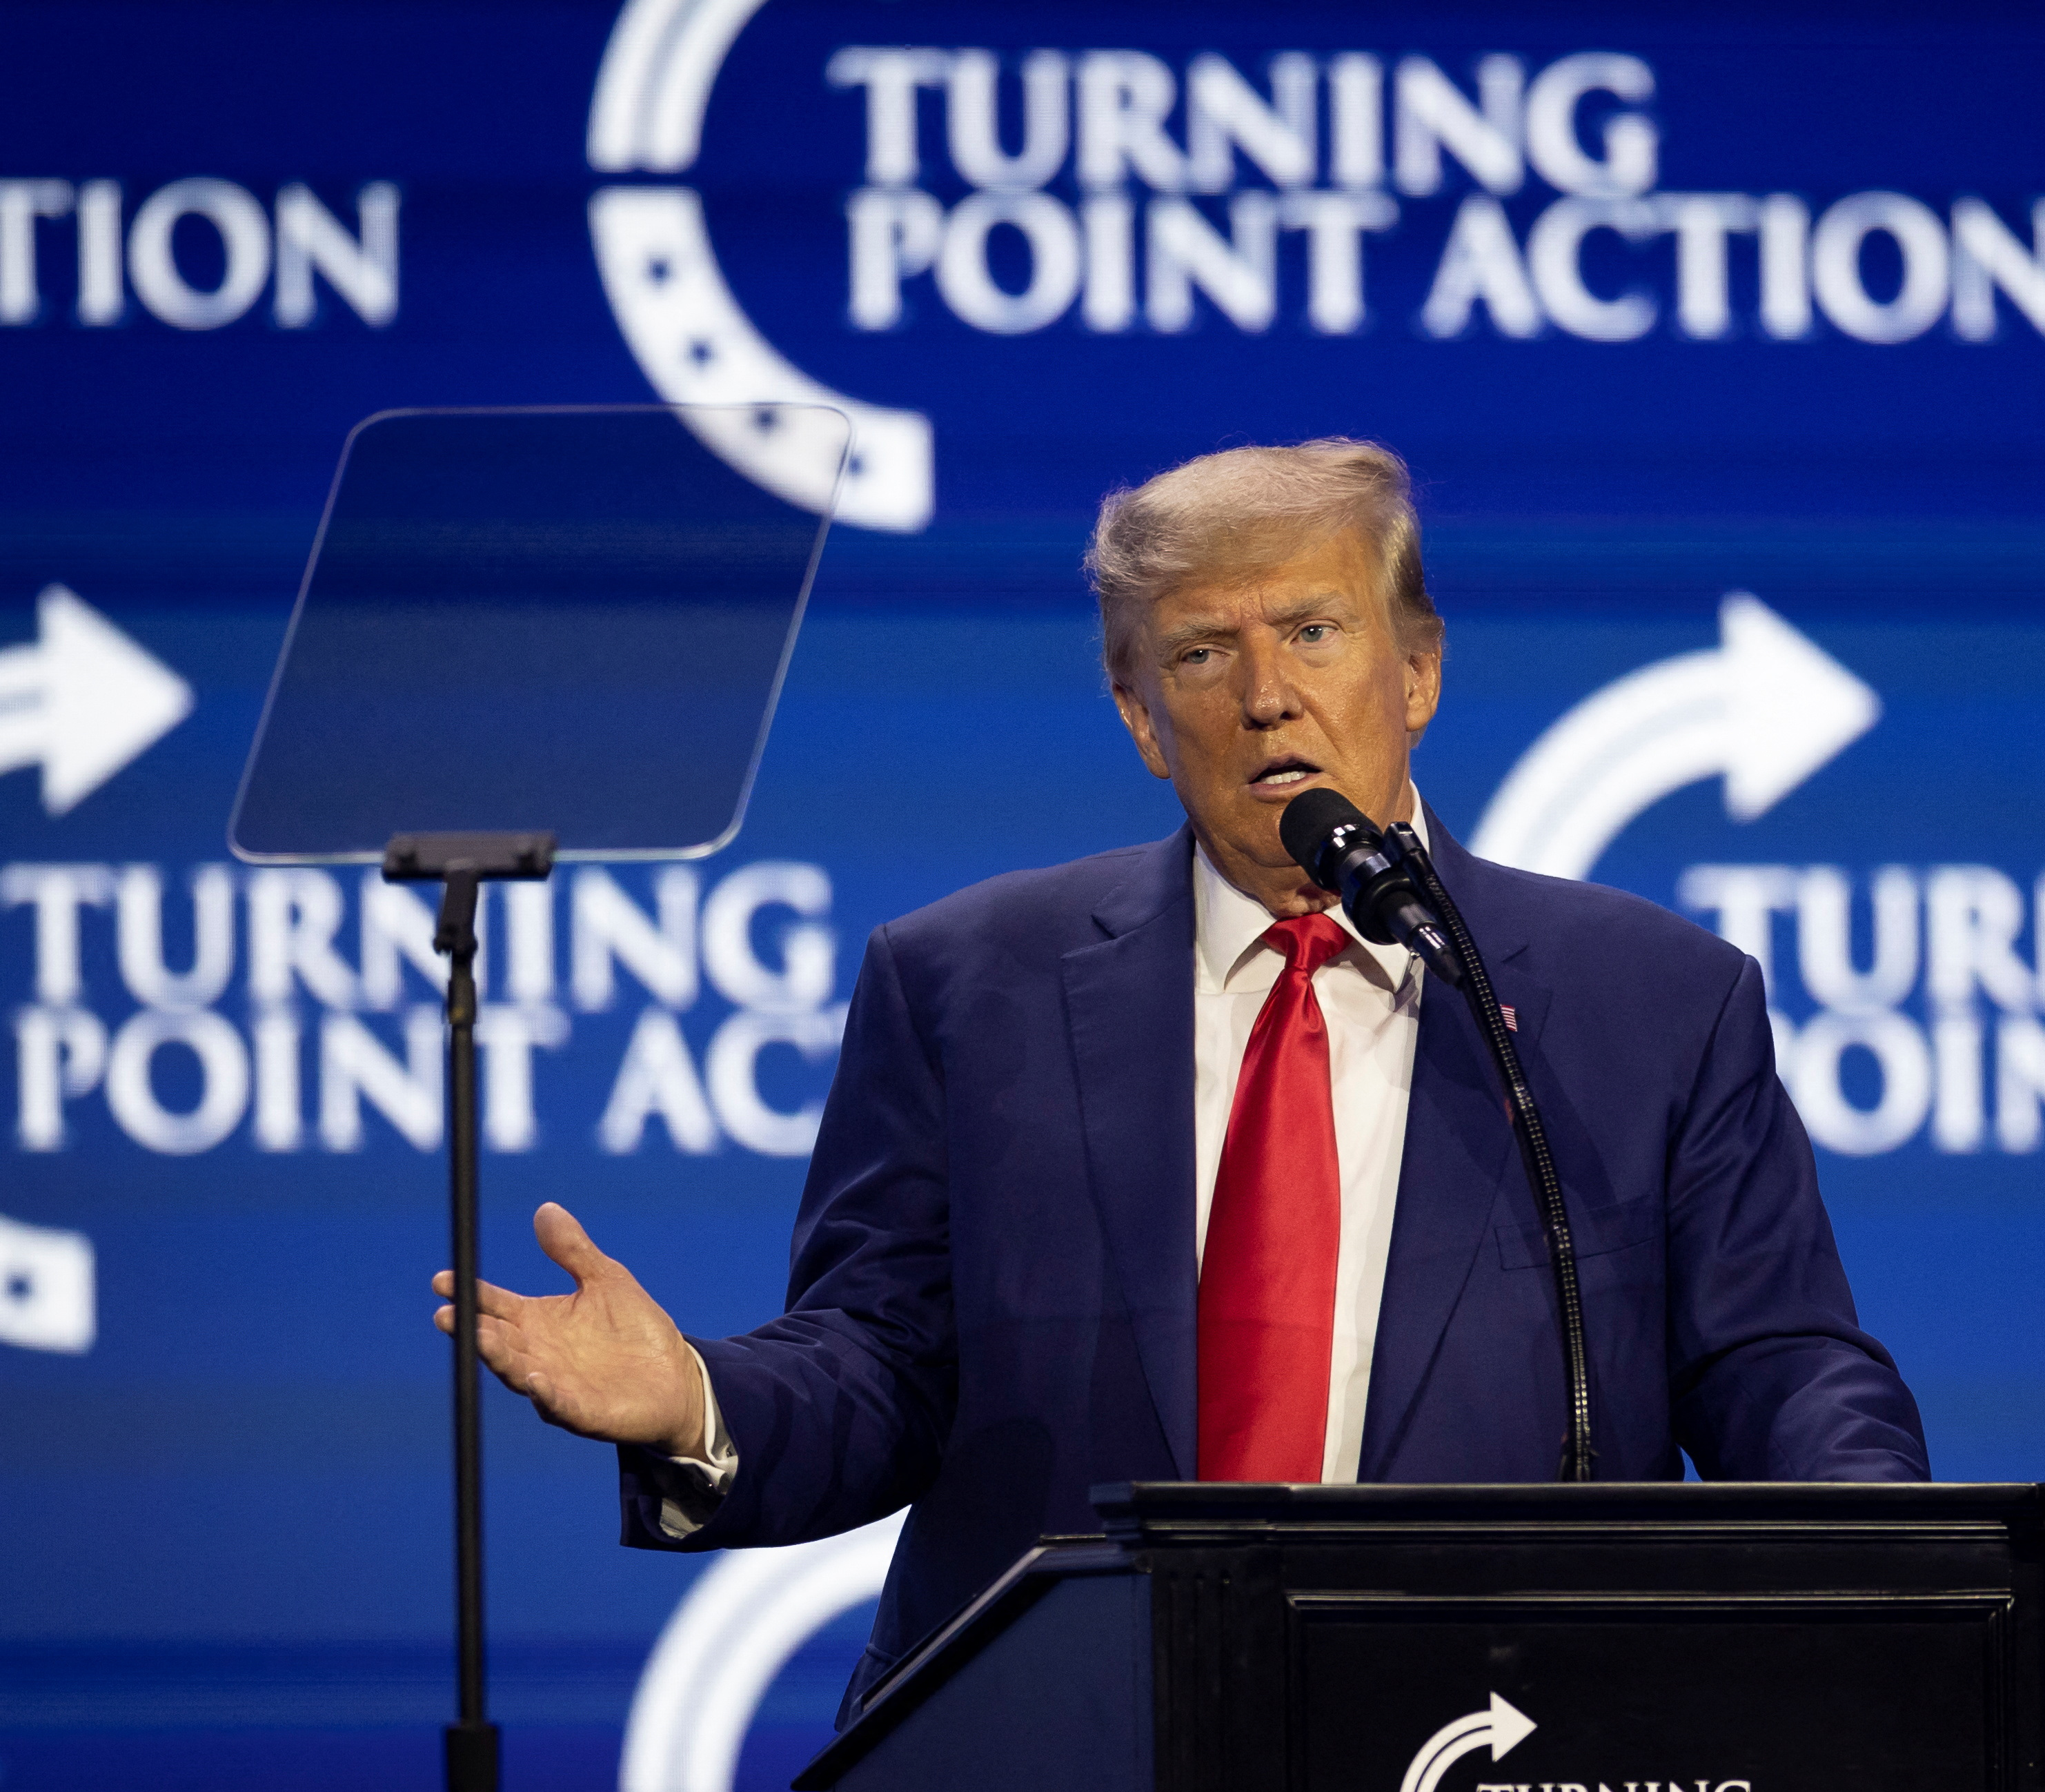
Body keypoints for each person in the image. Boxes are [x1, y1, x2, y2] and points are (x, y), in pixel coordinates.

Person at [434, 434, 1928, 1704]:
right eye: (1202, 654)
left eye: (1313, 632)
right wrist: (696, 1393)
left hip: (1505, 1761)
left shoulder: (1649, 1000)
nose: (1263, 694)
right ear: (1142, 718)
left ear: (1416, 672)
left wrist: (1900, 1564)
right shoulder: (964, 985)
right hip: (1050, 1772)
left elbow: (1773, 1360)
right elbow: (881, 1363)